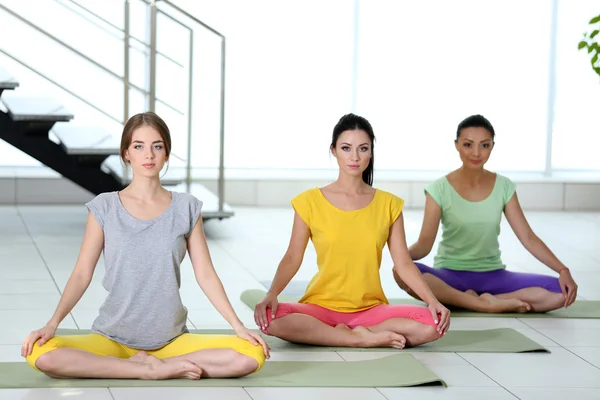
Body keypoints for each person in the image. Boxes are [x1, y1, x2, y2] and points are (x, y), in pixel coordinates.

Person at [22, 112, 269, 380]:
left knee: (251, 354)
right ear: (126, 153)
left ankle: (161, 366)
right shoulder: (104, 207)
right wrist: (53, 323)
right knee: (40, 353)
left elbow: (205, 274)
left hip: (172, 342)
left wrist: (237, 326)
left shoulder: (186, 207)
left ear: (166, 154)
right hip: (112, 339)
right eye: (139, 146)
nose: (148, 155)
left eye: (157, 146)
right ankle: (143, 369)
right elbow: (82, 273)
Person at [254, 114, 450, 350]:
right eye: (346, 148)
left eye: (363, 149)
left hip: (372, 311)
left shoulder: (389, 205)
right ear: (334, 150)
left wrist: (432, 301)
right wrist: (272, 294)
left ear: (371, 152)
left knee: (433, 324)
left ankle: (351, 335)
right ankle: (359, 339)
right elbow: (293, 256)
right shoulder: (309, 201)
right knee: (269, 318)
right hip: (320, 308)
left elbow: (404, 264)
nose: (355, 157)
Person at [394, 114, 578, 313]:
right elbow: (424, 245)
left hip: (494, 275)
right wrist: (400, 260)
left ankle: (483, 300)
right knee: (402, 273)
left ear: (492, 146)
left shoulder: (504, 187)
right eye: (468, 145)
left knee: (562, 292)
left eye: (484, 145)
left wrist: (562, 270)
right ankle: (481, 304)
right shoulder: (438, 189)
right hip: (449, 276)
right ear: (456, 145)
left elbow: (528, 237)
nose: (476, 153)